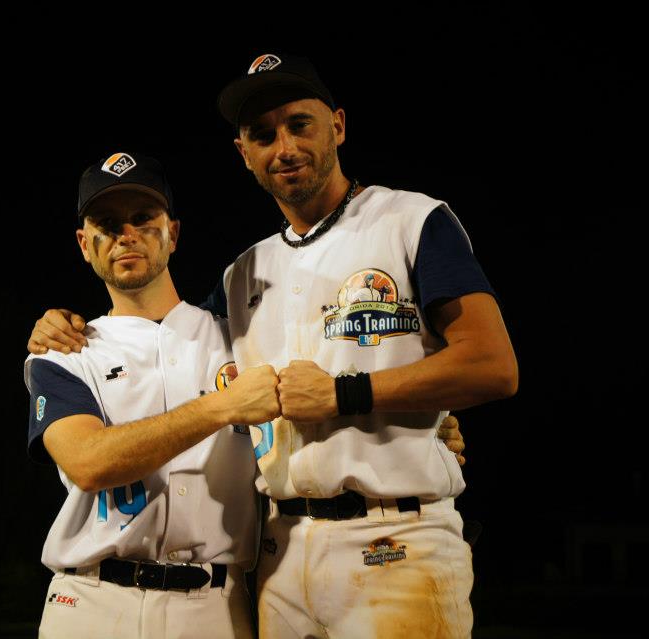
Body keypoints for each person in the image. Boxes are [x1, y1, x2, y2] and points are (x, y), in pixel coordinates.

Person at [28, 53, 513, 638]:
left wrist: (358, 397)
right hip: (279, 555)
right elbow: (160, 345)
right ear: (243, 152)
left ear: (338, 125)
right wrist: (54, 324)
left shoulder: (409, 220)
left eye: (299, 124)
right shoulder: (243, 278)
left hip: (395, 537)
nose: (283, 146)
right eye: (263, 134)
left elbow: (493, 366)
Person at [25, 152, 280, 639]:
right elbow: (88, 462)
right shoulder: (63, 354)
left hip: (216, 605)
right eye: (107, 224)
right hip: (92, 602)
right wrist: (221, 406)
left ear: (173, 233)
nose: (126, 234)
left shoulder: (240, 339)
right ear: (84, 244)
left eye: (143, 218)